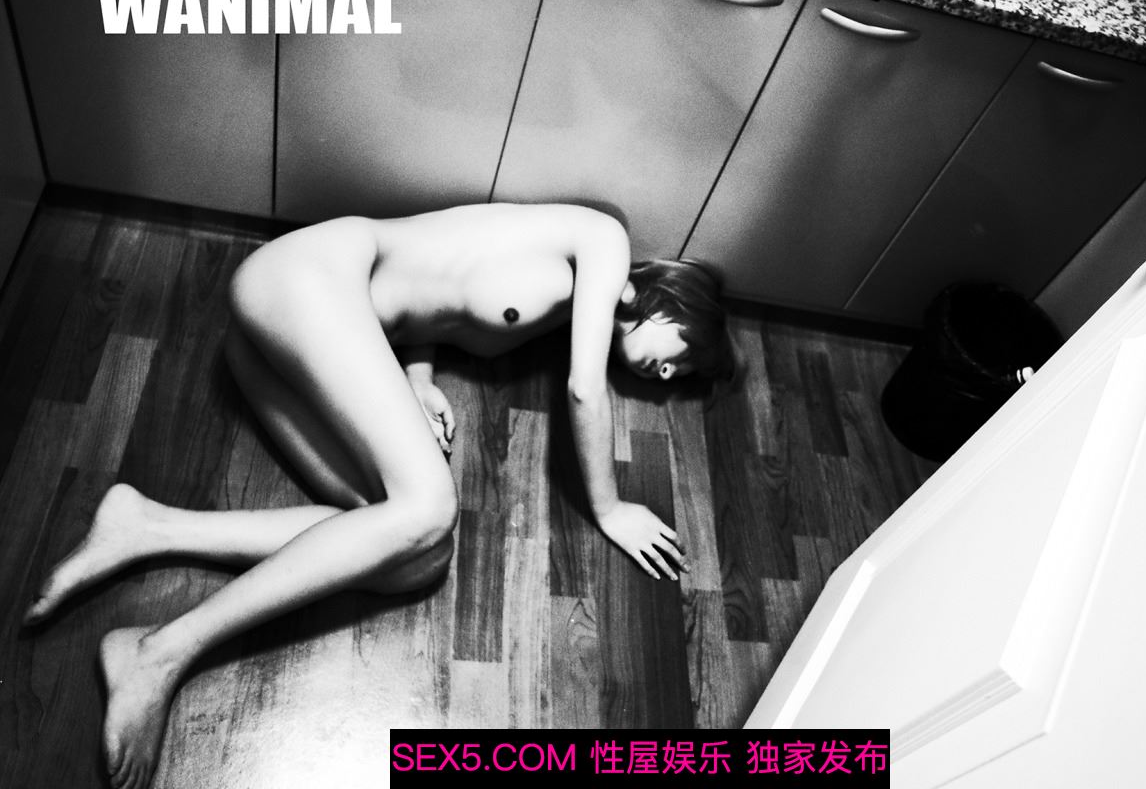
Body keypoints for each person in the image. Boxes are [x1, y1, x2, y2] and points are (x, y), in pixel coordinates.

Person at [21, 202, 735, 789]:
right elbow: (583, 389)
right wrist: (609, 508)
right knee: (429, 508)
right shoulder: (604, 239)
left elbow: (437, 297)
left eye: (681, 378)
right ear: (675, 298)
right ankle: (163, 651)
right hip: (302, 281)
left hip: (289, 342)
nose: (667, 377)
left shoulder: (560, 306)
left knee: (413, 557)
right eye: (686, 354)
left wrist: (417, 379)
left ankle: (146, 526)